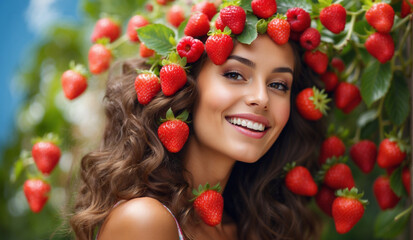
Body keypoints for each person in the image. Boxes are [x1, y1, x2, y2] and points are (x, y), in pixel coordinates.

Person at [69, 4, 325, 240]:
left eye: (278, 85)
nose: (261, 98)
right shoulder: (145, 222)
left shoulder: (249, 226)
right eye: (235, 74)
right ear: (186, 85)